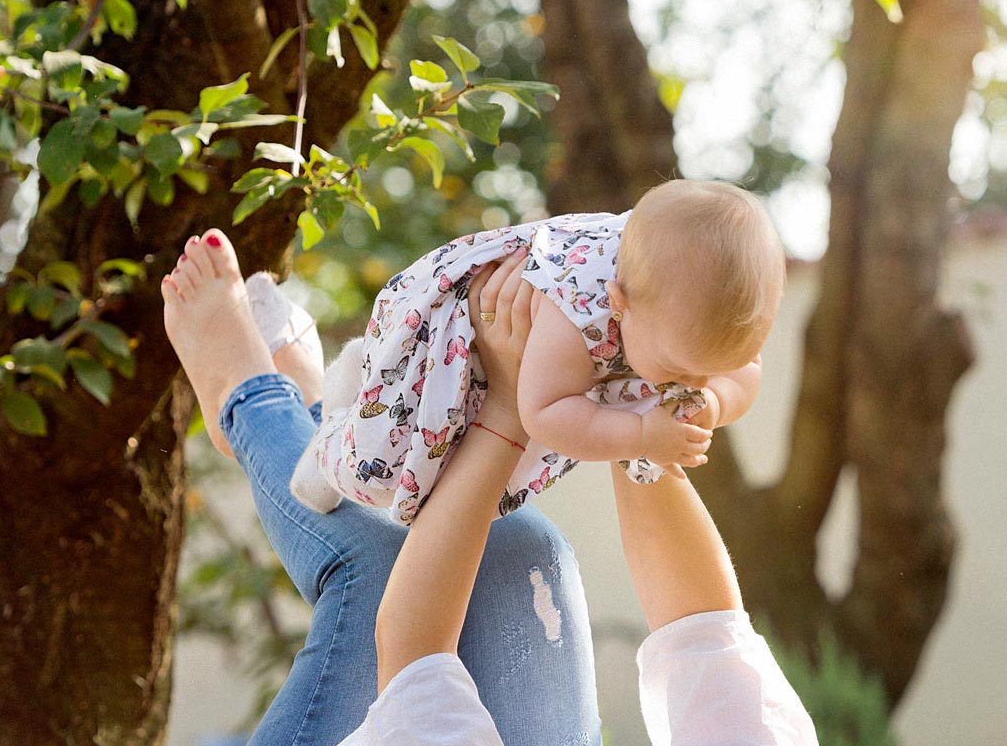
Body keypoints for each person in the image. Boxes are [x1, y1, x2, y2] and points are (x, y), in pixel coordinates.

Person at [162, 230, 958, 746]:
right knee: (522, 551)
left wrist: (507, 412)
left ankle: (252, 402)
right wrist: (638, 400)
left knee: (370, 579)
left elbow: (410, 644)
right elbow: (704, 630)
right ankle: (340, 436)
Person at [289, 179, 784, 524]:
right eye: (682, 368)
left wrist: (716, 403)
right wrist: (640, 434)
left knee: (466, 494)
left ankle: (364, 376)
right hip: (451, 355)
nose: (694, 384)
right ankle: (335, 431)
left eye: (713, 369)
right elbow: (545, 413)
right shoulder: (579, 307)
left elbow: (745, 372)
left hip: (542, 365)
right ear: (619, 303)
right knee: (383, 473)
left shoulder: (679, 293)